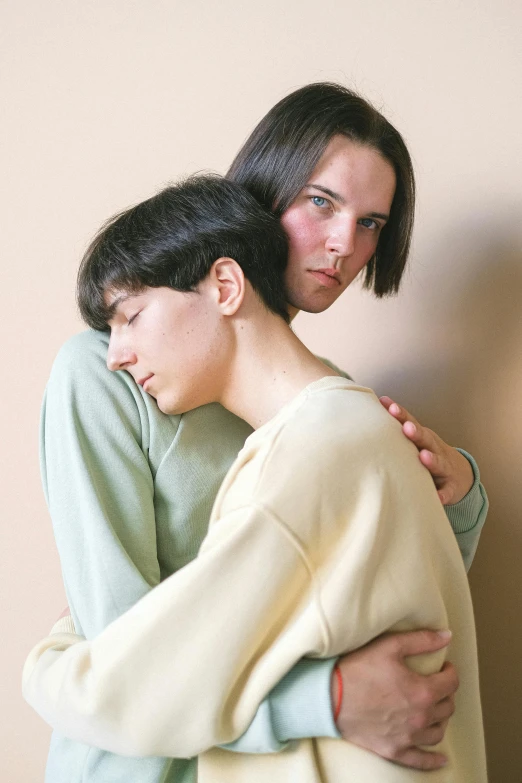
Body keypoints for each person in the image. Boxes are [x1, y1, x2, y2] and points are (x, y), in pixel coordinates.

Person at [27, 84, 487, 782]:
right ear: (264, 189)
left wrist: (462, 497)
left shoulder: (329, 407)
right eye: (322, 202)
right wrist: (323, 698)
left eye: (371, 224)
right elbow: (127, 661)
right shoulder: (110, 373)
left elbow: (375, 600)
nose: (344, 244)